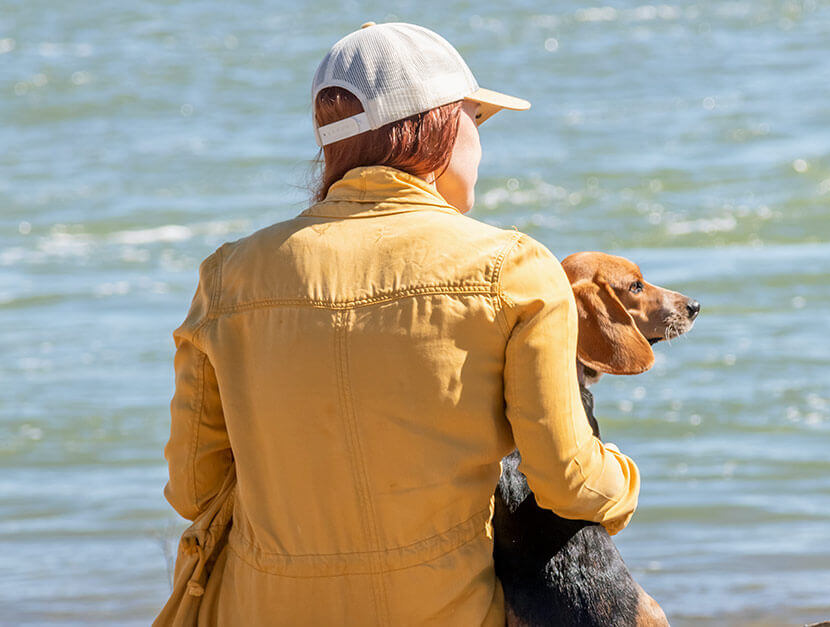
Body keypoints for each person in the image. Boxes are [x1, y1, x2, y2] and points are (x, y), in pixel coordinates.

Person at [159, 22, 640, 625]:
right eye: (476, 119)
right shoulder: (514, 268)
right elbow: (566, 482)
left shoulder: (226, 276)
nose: (479, 140)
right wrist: (625, 478)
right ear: (437, 126)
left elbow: (193, 489)